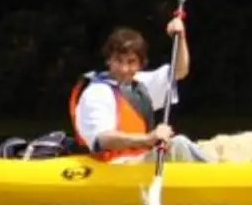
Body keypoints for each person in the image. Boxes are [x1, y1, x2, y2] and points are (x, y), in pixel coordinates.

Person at [69, 17, 210, 163]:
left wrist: (180, 37)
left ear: (141, 64)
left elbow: (179, 71)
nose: (124, 69)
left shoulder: (139, 84)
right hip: (113, 166)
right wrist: (149, 139)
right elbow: (103, 139)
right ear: (108, 60)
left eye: (131, 62)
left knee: (191, 145)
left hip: (138, 161)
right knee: (178, 145)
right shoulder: (97, 93)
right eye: (118, 61)